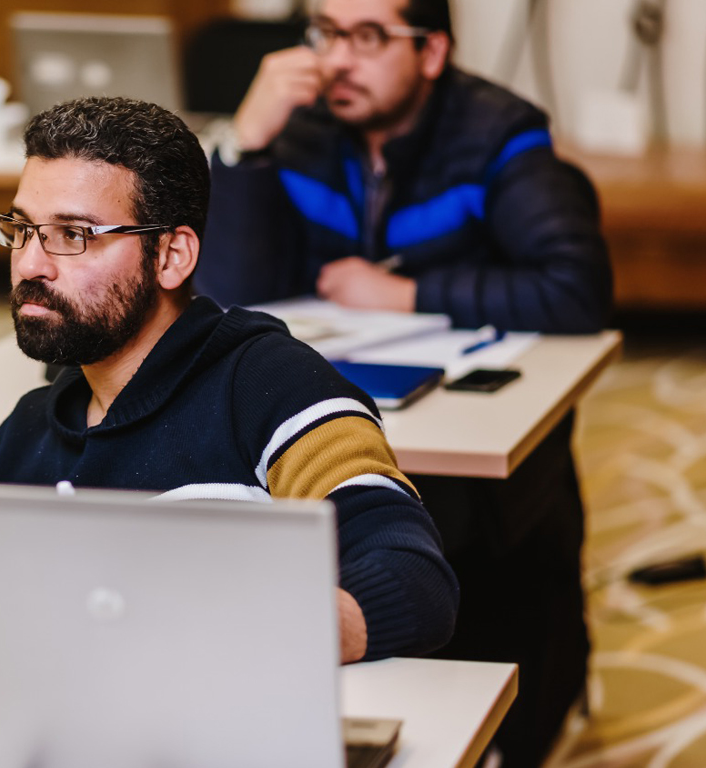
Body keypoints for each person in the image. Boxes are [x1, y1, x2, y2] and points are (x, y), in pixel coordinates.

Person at [196, 1, 613, 765]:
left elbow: (575, 288)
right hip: (334, 408)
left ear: (432, 51)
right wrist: (245, 145)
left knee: (437, 536)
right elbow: (228, 290)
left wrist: (408, 293)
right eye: (326, 32)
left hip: (470, 437)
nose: (337, 59)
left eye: (368, 37)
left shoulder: (498, 132)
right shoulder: (301, 129)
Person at [0, 95, 458, 664]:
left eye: (74, 234)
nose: (30, 263)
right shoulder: (28, 430)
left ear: (171, 256)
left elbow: (412, 578)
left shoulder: (273, 388)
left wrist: (226, 634)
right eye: (22, 228)